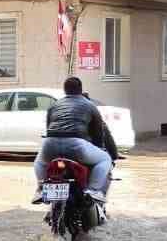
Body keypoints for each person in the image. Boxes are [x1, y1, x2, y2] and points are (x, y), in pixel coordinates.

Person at [32, 76, 117, 204]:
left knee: (39, 162)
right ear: (81, 90)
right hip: (77, 145)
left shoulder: (54, 105)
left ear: (65, 90)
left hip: (50, 144)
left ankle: (41, 188)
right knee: (105, 159)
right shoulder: (90, 105)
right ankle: (94, 190)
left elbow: (49, 128)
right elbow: (99, 133)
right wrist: (99, 148)